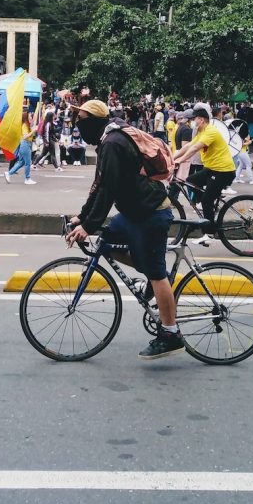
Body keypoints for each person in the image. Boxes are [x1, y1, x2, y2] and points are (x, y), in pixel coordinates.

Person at [65, 99, 182, 360]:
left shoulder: (113, 144)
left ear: (95, 121)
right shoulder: (108, 139)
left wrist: (88, 225)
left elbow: (108, 191)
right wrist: (82, 218)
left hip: (151, 213)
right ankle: (153, 282)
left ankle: (171, 333)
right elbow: (99, 185)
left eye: (81, 120)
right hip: (133, 213)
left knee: (156, 272)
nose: (77, 125)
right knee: (106, 241)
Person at [173, 106, 236, 229]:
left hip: (223, 171)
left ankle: (210, 232)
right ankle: (209, 208)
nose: (192, 122)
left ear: (201, 120)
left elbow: (195, 148)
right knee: (190, 180)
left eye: (194, 119)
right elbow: (189, 146)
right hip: (211, 169)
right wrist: (174, 158)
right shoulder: (201, 132)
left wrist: (180, 160)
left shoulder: (210, 131)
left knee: (206, 200)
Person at [4, 110, 37, 184]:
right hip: (25, 144)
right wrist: (33, 131)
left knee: (21, 162)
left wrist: (33, 128)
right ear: (25, 117)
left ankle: (9, 173)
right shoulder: (25, 125)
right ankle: (27, 179)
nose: (30, 117)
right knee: (28, 163)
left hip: (25, 145)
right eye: (29, 116)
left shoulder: (27, 125)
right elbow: (25, 136)